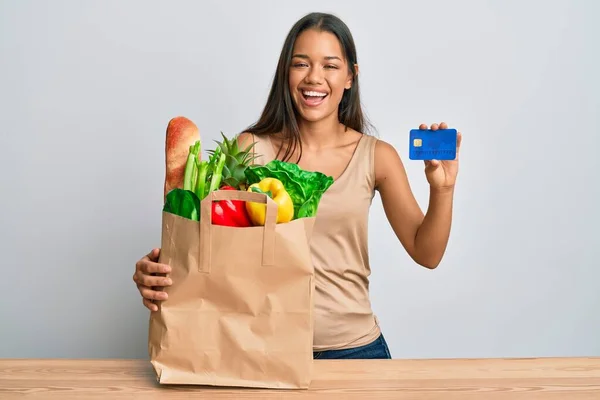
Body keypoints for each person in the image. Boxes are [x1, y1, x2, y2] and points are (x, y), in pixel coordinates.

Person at [133, 12, 462, 360]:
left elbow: (427, 254)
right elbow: (207, 256)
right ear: (285, 73)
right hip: (262, 351)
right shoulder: (250, 150)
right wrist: (155, 273)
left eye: (330, 66)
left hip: (355, 351)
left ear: (351, 75)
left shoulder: (376, 157)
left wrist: (442, 189)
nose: (314, 78)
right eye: (301, 64)